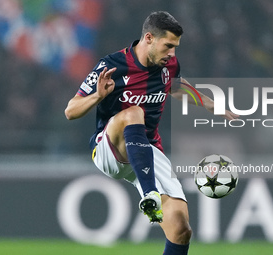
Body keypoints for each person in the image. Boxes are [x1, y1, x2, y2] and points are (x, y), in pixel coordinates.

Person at [65, 11, 238, 255]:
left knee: (181, 229)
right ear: (149, 38)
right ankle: (149, 195)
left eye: (175, 47)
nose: (172, 53)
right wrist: (97, 96)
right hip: (109, 148)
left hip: (146, 151)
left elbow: (178, 88)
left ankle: (151, 197)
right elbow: (71, 111)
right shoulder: (111, 66)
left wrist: (214, 106)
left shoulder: (169, 66)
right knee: (134, 113)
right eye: (168, 46)